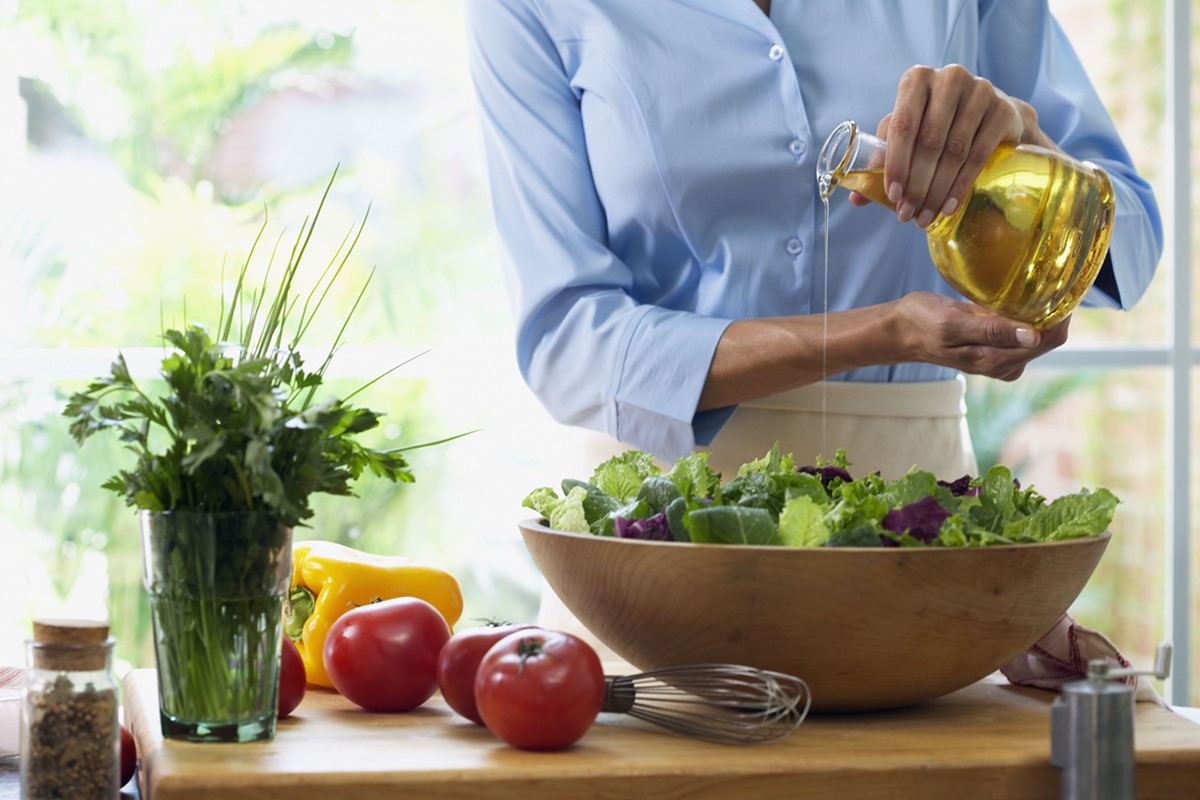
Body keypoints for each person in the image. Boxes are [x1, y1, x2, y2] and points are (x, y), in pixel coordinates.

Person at [463, 0, 1162, 483]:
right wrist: (882, 332)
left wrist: (1028, 149)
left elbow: (1130, 230)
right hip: (653, 540)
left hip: (918, 520)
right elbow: (567, 340)